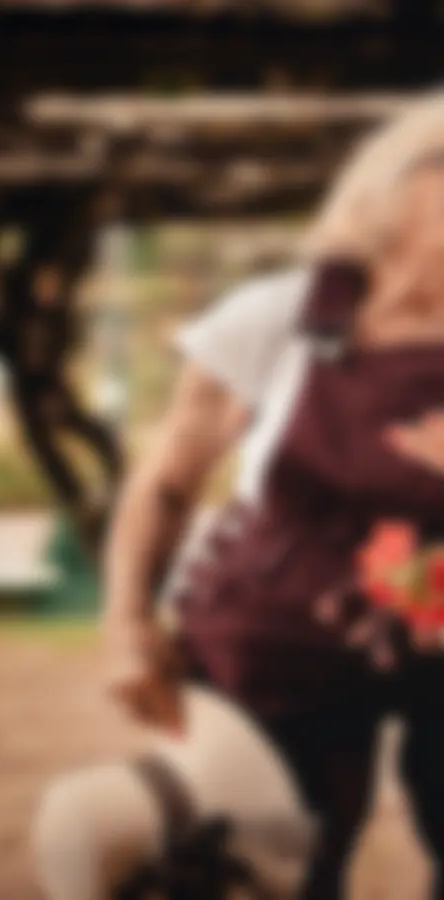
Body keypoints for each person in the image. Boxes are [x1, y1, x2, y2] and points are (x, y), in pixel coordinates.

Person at [102, 92, 444, 899]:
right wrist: (126, 623)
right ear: (393, 195)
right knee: (268, 871)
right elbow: (166, 484)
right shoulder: (279, 319)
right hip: (280, 630)